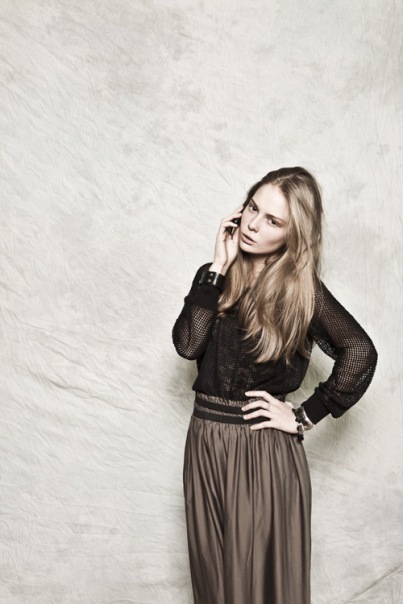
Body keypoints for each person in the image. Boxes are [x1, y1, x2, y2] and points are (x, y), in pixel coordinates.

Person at [172, 167, 377, 604]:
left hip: (260, 449)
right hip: (205, 441)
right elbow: (188, 346)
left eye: (272, 221)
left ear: (292, 235)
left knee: (259, 586)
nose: (252, 224)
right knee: (214, 583)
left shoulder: (302, 291)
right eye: (252, 208)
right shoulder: (213, 276)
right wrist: (217, 267)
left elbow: (360, 352)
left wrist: (303, 416)